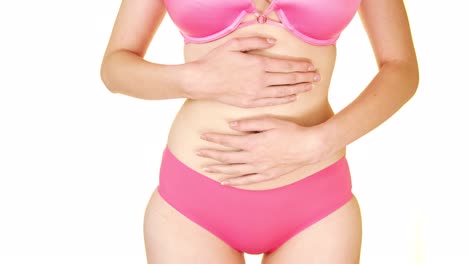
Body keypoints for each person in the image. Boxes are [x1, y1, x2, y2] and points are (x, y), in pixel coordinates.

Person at [100, 0, 418, 263]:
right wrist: (196, 79)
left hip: (315, 200)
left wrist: (319, 142)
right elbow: (115, 68)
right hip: (193, 202)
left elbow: (401, 68)